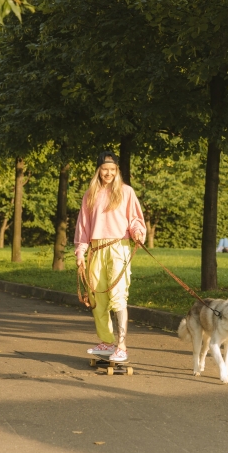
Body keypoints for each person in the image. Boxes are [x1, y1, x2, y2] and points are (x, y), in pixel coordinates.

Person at [75, 150, 146, 363]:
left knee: (118, 296)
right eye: (104, 169)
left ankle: (122, 346)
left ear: (117, 171)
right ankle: (106, 342)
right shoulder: (90, 194)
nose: (108, 173)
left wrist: (138, 233)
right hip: (96, 250)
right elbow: (83, 226)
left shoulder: (126, 192)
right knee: (97, 298)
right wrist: (80, 252)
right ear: (98, 170)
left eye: (112, 170)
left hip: (118, 247)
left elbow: (134, 219)